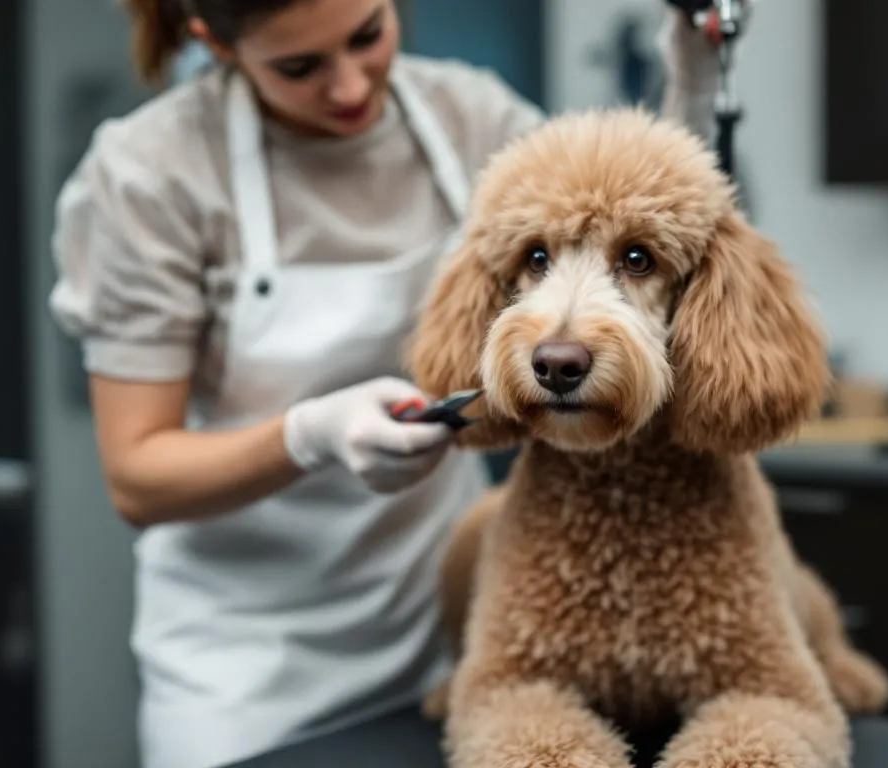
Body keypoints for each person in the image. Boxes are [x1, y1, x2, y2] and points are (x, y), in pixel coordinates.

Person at [47, 1, 733, 766]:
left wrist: (693, 82)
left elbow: (650, 225)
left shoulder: (465, 115)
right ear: (215, 43)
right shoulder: (152, 173)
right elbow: (137, 476)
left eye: (368, 34)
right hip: (248, 670)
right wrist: (310, 436)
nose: (348, 86)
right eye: (299, 67)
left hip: (453, 625)